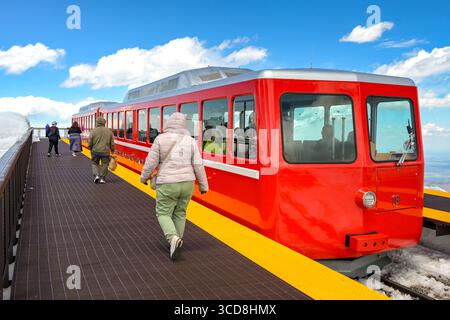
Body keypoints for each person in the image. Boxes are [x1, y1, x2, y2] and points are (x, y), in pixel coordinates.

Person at [140, 112, 208, 261]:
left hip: (167, 183)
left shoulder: (160, 139)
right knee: (180, 213)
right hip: (187, 183)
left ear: (168, 123)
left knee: (163, 213)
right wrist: (203, 185)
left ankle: (173, 239)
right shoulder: (190, 141)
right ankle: (177, 241)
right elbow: (198, 164)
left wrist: (143, 177)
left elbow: (151, 162)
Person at [88, 117, 114, 184]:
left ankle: (96, 175)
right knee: (105, 164)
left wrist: (90, 148)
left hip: (95, 151)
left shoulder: (93, 131)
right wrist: (112, 150)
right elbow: (112, 143)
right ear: (104, 123)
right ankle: (102, 178)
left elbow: (90, 141)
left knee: (94, 163)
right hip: (105, 152)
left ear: (97, 123)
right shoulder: (109, 131)